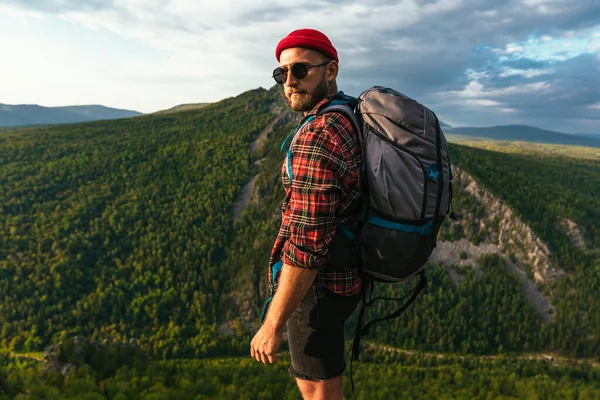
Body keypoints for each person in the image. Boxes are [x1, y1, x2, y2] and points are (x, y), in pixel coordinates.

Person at [250, 28, 363, 400]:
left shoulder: (318, 135)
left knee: (317, 390)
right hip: (345, 276)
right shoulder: (346, 113)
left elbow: (306, 246)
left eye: (301, 70)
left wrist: (273, 323)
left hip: (317, 288)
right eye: (282, 73)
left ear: (331, 70)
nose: (290, 82)